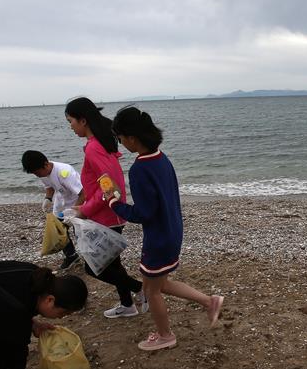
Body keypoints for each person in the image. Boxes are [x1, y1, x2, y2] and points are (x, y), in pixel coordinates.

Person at [107, 106, 223, 351]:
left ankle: (165, 335)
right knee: (160, 284)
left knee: (151, 290)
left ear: (131, 137)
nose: (120, 143)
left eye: (120, 138)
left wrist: (115, 203)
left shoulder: (140, 168)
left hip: (159, 237)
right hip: (172, 229)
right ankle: (209, 301)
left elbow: (144, 213)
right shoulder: (161, 157)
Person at [65, 97, 146, 318]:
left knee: (93, 267)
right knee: (113, 265)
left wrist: (84, 210)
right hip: (108, 213)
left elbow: (109, 186)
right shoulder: (99, 143)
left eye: (70, 121)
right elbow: (103, 183)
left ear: (83, 120)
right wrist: (83, 202)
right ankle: (128, 305)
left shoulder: (94, 147)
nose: (70, 126)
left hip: (106, 216)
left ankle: (140, 289)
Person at [21, 150, 84, 270]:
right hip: (61, 204)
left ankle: (90, 257)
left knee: (80, 233)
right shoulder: (43, 173)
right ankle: (71, 256)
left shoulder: (64, 172)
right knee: (58, 230)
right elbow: (49, 187)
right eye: (34, 173)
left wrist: (74, 212)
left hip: (77, 203)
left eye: (37, 172)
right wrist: (48, 199)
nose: (37, 175)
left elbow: (83, 193)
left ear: (45, 164)